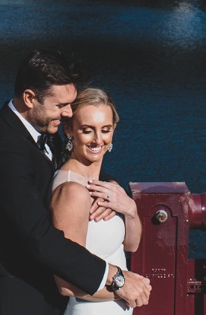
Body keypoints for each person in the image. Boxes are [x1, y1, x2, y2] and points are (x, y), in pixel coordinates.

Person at [0, 50, 151, 315]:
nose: (67, 113)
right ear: (29, 98)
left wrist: (111, 195)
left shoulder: (43, 132)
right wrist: (116, 278)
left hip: (49, 299)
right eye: (60, 105)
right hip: (16, 301)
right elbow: (39, 236)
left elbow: (74, 166)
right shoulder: (1, 150)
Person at [51, 87, 141, 313]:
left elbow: (131, 245)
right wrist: (124, 287)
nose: (98, 140)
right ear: (69, 130)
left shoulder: (107, 185)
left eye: (105, 129)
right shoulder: (72, 191)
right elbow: (65, 284)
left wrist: (130, 209)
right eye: (87, 130)